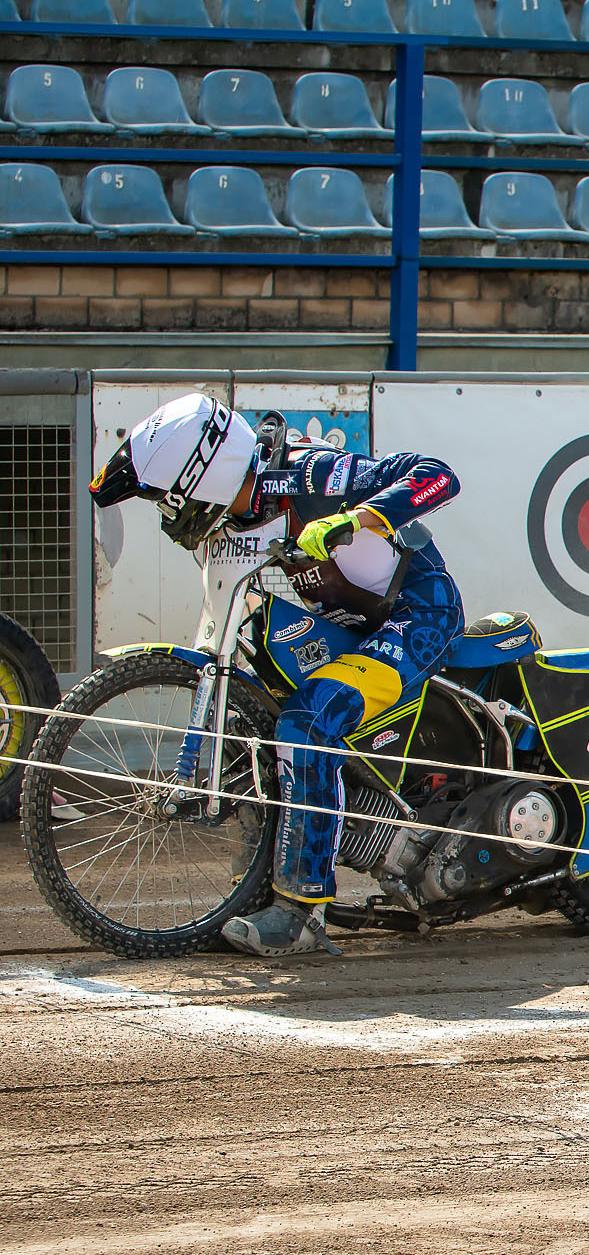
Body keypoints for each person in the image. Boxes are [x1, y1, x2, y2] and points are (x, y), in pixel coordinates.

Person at [89, 394, 463, 958]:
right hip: (347, 626)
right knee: (254, 724)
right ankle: (255, 893)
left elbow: (437, 475)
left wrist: (356, 518)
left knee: (307, 722)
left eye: (170, 501)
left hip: (417, 616)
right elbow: (217, 630)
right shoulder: (230, 517)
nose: (169, 516)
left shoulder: (311, 474)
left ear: (202, 479)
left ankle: (300, 913)